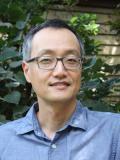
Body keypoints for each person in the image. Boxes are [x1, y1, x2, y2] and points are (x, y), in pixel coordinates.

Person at [0, 19, 120, 160]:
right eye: (46, 60)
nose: (60, 71)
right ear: (27, 71)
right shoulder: (3, 140)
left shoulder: (115, 133)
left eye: (71, 60)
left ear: (81, 68)